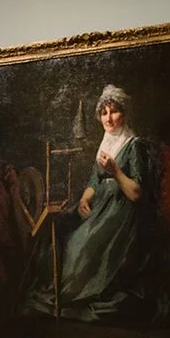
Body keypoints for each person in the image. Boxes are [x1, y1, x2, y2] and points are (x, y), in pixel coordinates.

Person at [25, 86, 152, 325]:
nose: (108, 118)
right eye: (104, 112)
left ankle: (69, 296)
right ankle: (57, 290)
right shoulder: (106, 142)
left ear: (124, 114)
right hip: (101, 206)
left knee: (78, 250)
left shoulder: (134, 144)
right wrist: (85, 198)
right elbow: (95, 179)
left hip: (121, 213)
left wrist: (115, 170)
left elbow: (135, 193)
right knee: (59, 236)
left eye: (113, 111)